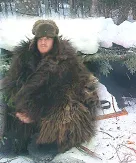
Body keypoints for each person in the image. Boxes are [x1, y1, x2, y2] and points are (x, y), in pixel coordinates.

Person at [0, 19, 100, 154]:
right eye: (40, 38)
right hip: (31, 108)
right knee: (9, 146)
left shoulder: (66, 61)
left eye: (48, 38)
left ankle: (52, 141)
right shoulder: (23, 58)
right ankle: (20, 137)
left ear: (54, 40)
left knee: (43, 147)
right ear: (35, 40)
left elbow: (64, 95)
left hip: (58, 108)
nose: (43, 42)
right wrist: (20, 109)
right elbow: (13, 84)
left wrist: (34, 113)